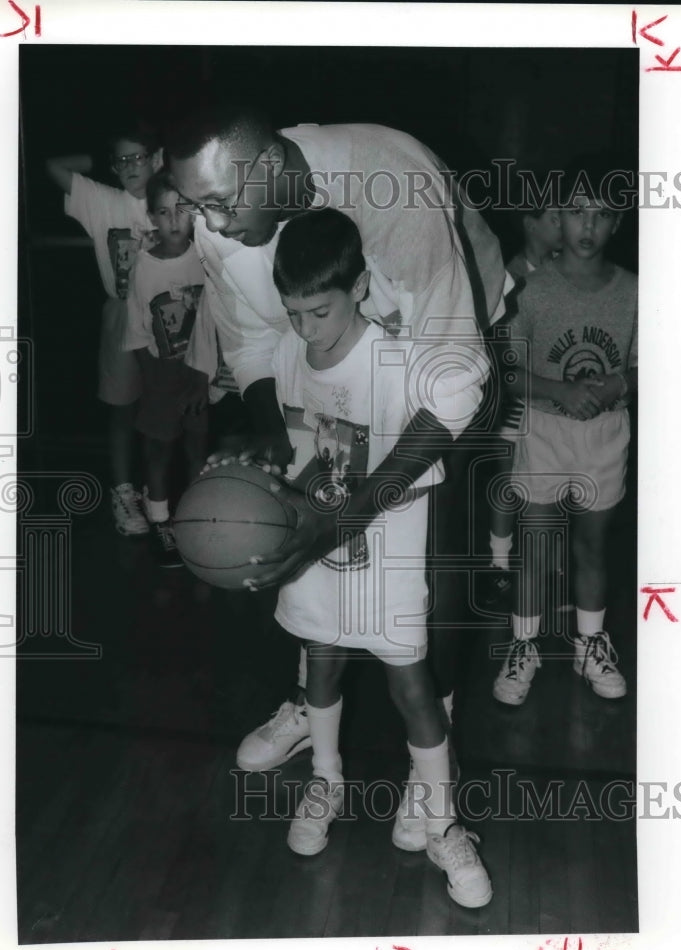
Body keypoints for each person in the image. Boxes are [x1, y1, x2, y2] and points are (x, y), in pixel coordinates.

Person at [164, 104, 512, 781]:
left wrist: (343, 519)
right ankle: (311, 698)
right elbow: (254, 343)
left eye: (219, 203)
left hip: (449, 343)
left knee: (429, 557)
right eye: (195, 205)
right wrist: (272, 440)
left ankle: (432, 747)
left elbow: (453, 390)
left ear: (267, 168)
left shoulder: (389, 190)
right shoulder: (229, 219)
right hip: (326, 351)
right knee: (307, 518)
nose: (210, 222)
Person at [260, 208, 492, 908]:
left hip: (387, 563)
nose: (306, 329)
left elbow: (463, 395)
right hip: (315, 559)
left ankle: (443, 819)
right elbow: (286, 440)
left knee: (412, 688)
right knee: (319, 672)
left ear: (360, 287)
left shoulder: (400, 360)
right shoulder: (283, 356)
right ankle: (325, 781)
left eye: (320, 311)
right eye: (293, 312)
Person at [492, 171, 637, 707]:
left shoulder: (634, 290)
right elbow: (506, 371)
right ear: (558, 218)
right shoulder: (529, 289)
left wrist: (621, 381)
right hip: (545, 429)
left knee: (592, 545)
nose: (588, 224)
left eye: (601, 214)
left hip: (605, 433)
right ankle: (523, 644)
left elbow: (647, 362)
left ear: (616, 223)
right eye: (577, 211)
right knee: (535, 544)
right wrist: (558, 390)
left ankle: (589, 642)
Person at [46, 120, 161, 535]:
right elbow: (55, 167)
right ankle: (124, 492)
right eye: (123, 160)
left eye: (139, 157)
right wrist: (102, 157)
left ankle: (158, 494)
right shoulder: (103, 200)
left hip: (170, 318)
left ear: (158, 159)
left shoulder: (173, 200)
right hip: (121, 314)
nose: (131, 166)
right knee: (121, 408)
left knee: (160, 412)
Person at [123, 171, 213, 567]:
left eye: (182, 209)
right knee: (159, 448)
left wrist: (207, 372)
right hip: (161, 372)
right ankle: (160, 520)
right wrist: (153, 378)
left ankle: (192, 520)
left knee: (197, 446)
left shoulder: (206, 257)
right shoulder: (144, 266)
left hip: (201, 372)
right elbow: (137, 329)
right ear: (152, 218)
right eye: (164, 212)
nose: (174, 220)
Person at [481, 201, 563, 612]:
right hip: (516, 398)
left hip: (550, 403)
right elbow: (504, 351)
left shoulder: (565, 273)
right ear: (531, 225)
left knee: (549, 483)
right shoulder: (512, 277)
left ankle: (545, 572)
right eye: (555, 218)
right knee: (508, 481)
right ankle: (498, 569)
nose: (564, 225)